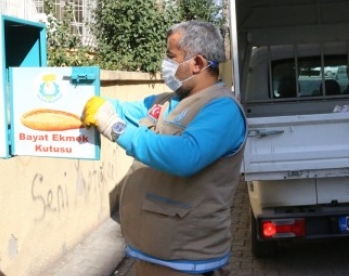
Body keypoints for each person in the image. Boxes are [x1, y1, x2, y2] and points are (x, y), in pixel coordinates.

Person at [83, 20, 247, 276]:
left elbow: (185, 156)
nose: (165, 65)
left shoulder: (222, 108)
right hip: (154, 254)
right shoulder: (167, 102)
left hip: (187, 261)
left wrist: (115, 128)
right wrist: (89, 103)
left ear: (198, 63)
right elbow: (121, 110)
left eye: (172, 57)